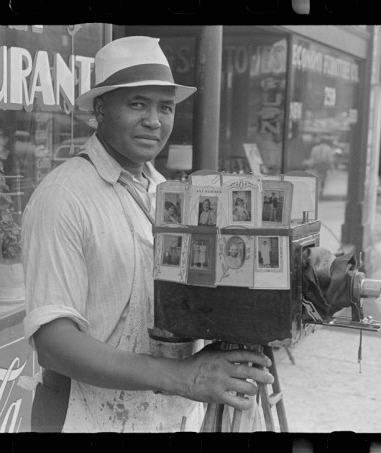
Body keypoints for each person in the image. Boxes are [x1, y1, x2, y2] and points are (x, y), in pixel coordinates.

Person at [21, 36, 273, 433]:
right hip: (83, 419)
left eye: (166, 107)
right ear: (100, 109)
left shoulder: (163, 191)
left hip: (166, 418)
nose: (155, 120)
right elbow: (53, 344)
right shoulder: (63, 196)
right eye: (138, 104)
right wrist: (182, 376)